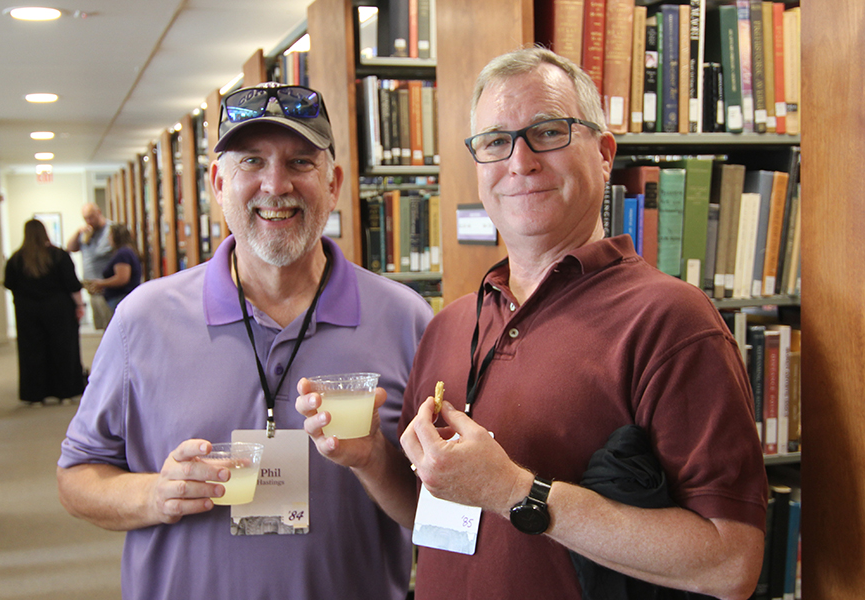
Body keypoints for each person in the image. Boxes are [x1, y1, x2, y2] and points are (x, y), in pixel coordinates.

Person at [297, 47, 768, 599]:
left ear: (605, 154)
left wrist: (518, 493)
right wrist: (372, 459)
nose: (520, 162)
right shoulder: (450, 325)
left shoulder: (671, 321)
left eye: (548, 132)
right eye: (496, 141)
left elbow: (730, 562)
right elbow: (435, 515)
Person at [56, 82, 434, 600]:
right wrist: (154, 495)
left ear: (334, 183)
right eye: (251, 162)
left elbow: (441, 511)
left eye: (301, 162)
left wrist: (373, 459)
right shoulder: (142, 319)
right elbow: (77, 477)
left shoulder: (406, 319)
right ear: (217, 183)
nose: (275, 185)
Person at [4, 219, 86, 405]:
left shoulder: (16, 258)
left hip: (27, 311)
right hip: (59, 309)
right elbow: (72, 284)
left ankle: (35, 394)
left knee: (31, 351)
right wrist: (80, 306)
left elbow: (9, 284)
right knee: (63, 348)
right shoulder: (58, 255)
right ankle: (65, 392)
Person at [66, 203, 114, 329]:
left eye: (91, 217)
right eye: (86, 218)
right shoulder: (86, 232)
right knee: (101, 326)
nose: (89, 221)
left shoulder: (111, 230)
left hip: (106, 287)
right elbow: (70, 248)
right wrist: (78, 233)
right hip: (92, 288)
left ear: (99, 212)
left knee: (110, 325)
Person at [84, 223, 141, 312]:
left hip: (120, 297)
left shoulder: (123, 253)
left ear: (116, 237)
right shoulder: (127, 251)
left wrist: (101, 284)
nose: (108, 238)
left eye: (110, 235)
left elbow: (122, 278)